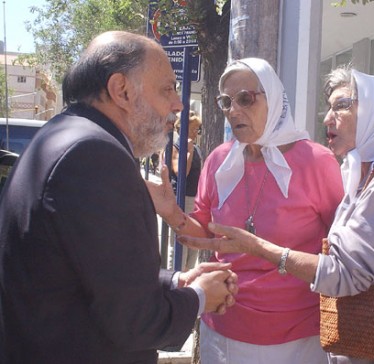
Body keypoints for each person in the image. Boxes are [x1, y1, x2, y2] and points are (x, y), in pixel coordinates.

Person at [170, 67, 374, 363]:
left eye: (342, 106)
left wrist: (258, 248)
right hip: (237, 327)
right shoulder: (361, 171)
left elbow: (347, 271)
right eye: (226, 102)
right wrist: (170, 211)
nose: (328, 118)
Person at [0, 31, 238, 364]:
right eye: (167, 88)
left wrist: (178, 280)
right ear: (121, 91)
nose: (178, 104)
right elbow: (135, 320)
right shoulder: (94, 154)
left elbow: (91, 274)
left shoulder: (62, 135)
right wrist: (199, 297)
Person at [147, 58, 343, 363]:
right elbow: (206, 233)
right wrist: (172, 213)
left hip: (298, 334)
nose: (233, 110)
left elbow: (340, 250)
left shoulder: (317, 162)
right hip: (224, 323)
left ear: (274, 98)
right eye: (226, 101)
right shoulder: (218, 160)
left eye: (245, 98)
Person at [168, 111, 203, 271]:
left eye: (197, 129)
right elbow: (182, 172)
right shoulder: (176, 147)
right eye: (192, 129)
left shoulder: (197, 149)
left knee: (194, 244)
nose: (196, 132)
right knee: (180, 244)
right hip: (181, 199)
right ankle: (176, 278)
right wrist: (188, 151)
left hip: (194, 200)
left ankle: (189, 277)